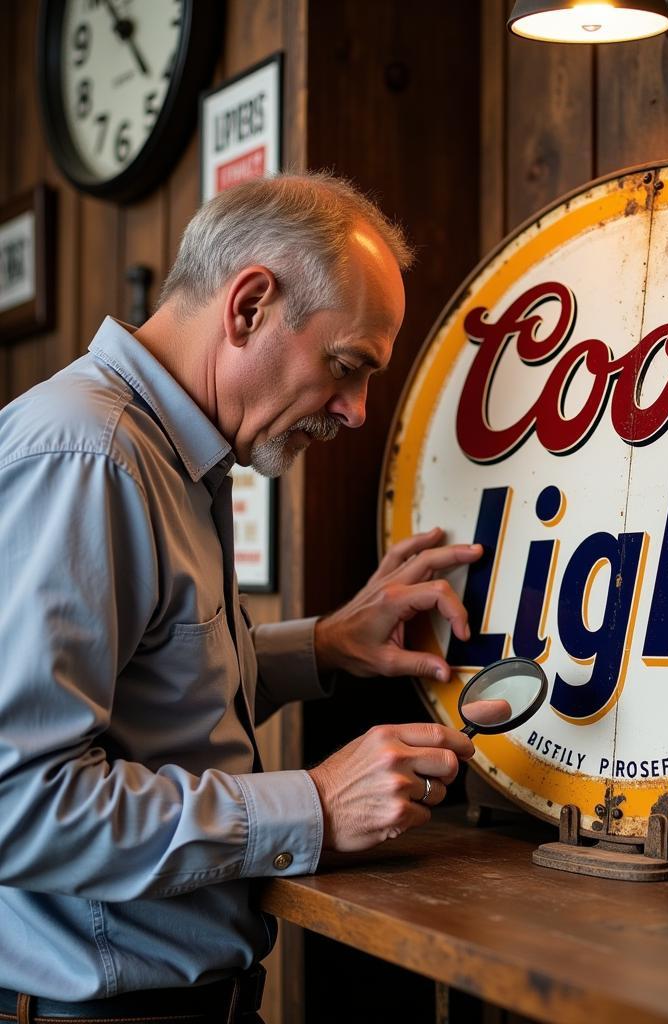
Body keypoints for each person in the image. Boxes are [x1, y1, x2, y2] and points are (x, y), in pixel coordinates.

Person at [0, 173, 484, 1023]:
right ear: (250, 305)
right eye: (345, 366)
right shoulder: (90, 457)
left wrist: (325, 645)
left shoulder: (166, 449)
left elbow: (144, 698)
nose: (359, 411)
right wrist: (316, 805)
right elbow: (22, 804)